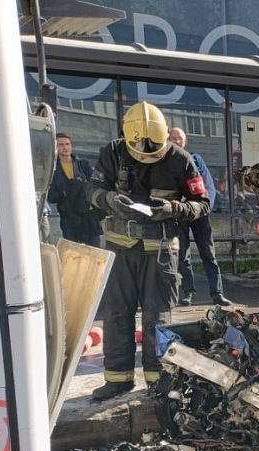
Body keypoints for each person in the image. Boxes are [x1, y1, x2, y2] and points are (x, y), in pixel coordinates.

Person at [86, 101, 211, 401]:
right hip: (120, 249)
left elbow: (202, 204)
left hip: (161, 252)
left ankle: (159, 380)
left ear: (165, 135)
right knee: (116, 314)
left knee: (159, 317)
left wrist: (173, 208)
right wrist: (108, 199)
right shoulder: (113, 153)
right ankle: (118, 378)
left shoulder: (180, 160)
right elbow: (90, 190)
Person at [167, 127, 231, 306]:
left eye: (180, 138)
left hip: (199, 214)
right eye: (173, 138)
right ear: (167, 140)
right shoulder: (165, 164)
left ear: (185, 141)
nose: (176, 141)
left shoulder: (195, 159)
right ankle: (188, 293)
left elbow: (209, 187)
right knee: (182, 256)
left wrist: (206, 208)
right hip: (179, 215)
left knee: (208, 254)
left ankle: (217, 293)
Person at [48, 132, 103, 246]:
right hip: (68, 217)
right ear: (55, 148)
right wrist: (64, 192)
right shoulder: (53, 169)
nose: (65, 147)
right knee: (72, 250)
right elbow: (51, 196)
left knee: (94, 249)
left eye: (67, 144)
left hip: (87, 214)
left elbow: (95, 184)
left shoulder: (83, 165)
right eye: (61, 145)